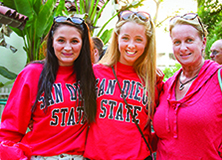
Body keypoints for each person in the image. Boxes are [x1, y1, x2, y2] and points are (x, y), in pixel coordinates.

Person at [153, 13, 222, 159]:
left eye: (189, 40)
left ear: (203, 42)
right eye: (177, 42)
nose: (183, 48)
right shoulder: (167, 85)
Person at [0, 16, 96, 159]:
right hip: (40, 155)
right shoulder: (32, 73)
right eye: (61, 40)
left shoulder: (92, 76)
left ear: (83, 44)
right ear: (51, 42)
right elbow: (10, 129)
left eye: (74, 41)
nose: (67, 47)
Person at [84, 10, 159, 160]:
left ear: (147, 43)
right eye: (125, 38)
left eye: (138, 39)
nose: (131, 45)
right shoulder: (95, 73)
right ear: (117, 39)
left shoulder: (153, 80)